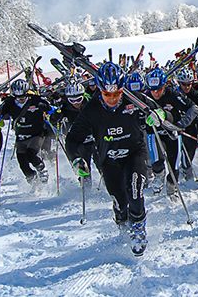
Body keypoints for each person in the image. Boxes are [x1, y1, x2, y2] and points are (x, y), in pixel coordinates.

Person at [65, 62, 150, 256]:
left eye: (117, 94)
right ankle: (121, 218)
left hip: (134, 153)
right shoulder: (92, 109)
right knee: (120, 200)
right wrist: (76, 159)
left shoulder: (134, 100)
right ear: (100, 90)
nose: (112, 99)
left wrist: (158, 115)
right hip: (109, 159)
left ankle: (138, 228)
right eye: (107, 94)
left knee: (135, 189)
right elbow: (72, 139)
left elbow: (158, 112)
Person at [144, 68, 198, 196]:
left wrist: (182, 124)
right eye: (152, 89)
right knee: (157, 164)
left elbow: (193, 108)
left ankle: (171, 186)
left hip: (173, 134)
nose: (155, 93)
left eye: (159, 89)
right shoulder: (145, 96)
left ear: (164, 85)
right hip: (154, 134)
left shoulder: (173, 95)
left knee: (174, 168)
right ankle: (159, 175)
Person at [0, 79, 54, 185]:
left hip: (37, 133)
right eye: (18, 97)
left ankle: (43, 171)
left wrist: (52, 109)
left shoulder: (36, 100)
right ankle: (32, 179)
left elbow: (52, 110)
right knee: (22, 162)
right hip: (21, 136)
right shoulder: (9, 103)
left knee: (31, 154)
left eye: (23, 96)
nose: (21, 99)